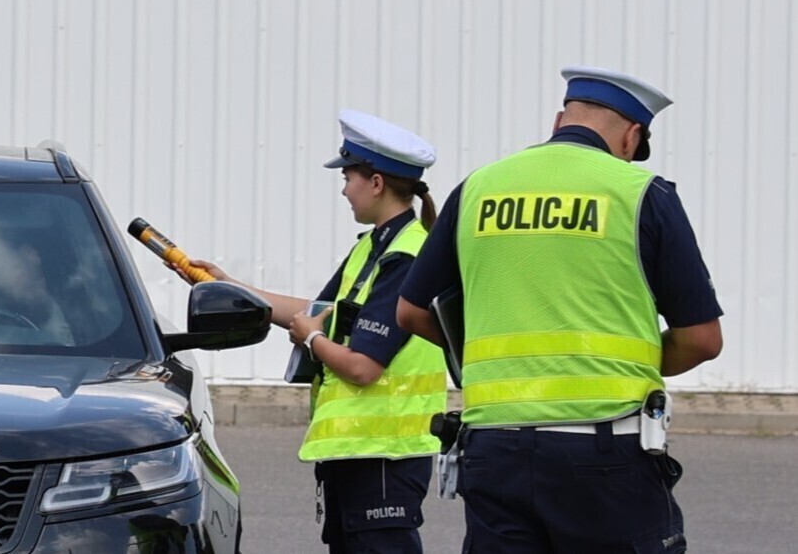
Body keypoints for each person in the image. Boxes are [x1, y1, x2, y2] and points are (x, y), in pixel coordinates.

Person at [396, 65, 723, 553]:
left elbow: (411, 312)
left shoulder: (478, 188)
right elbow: (701, 340)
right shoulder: (640, 192)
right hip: (603, 448)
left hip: (493, 446)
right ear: (632, 136)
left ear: (558, 120)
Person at [172, 109, 448, 553]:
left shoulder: (403, 256)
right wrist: (228, 286)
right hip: (360, 453)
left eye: (348, 177)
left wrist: (313, 340)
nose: (344, 189)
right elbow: (315, 312)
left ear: (376, 183)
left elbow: (362, 367)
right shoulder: (374, 247)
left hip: (382, 454)